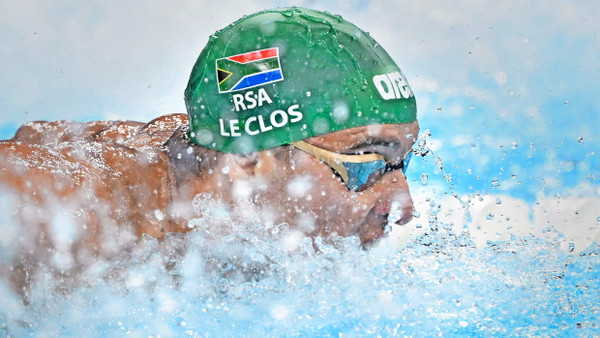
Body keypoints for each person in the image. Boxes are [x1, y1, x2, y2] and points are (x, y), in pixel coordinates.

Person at [0, 8, 419, 290]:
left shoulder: (236, 214)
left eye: (403, 163)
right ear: (247, 159)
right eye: (367, 165)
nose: (404, 207)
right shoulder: (85, 220)